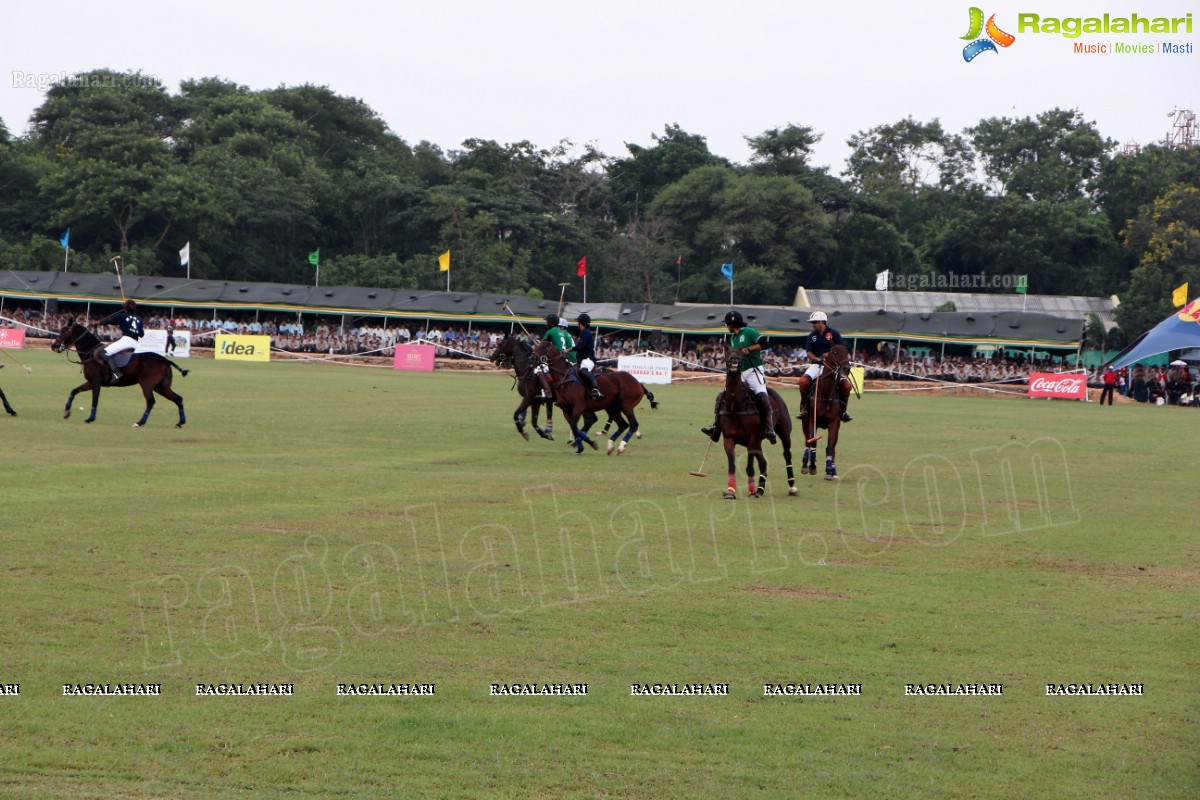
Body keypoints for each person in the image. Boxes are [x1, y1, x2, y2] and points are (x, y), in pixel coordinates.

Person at [700, 309, 776, 444]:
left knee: (762, 397)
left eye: (727, 323)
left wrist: (749, 349)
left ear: (732, 324)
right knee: (722, 396)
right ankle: (716, 428)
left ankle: (770, 429)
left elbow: (765, 344)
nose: (726, 326)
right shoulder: (732, 338)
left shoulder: (749, 332)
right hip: (739, 373)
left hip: (753, 370)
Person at [796, 311, 853, 422]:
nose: (813, 324)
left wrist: (829, 355)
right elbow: (809, 352)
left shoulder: (834, 334)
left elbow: (840, 350)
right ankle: (804, 408)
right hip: (817, 365)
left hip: (833, 367)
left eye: (815, 322)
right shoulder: (812, 336)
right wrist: (817, 359)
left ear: (822, 322)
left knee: (846, 386)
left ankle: (843, 411)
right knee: (803, 382)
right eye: (812, 322)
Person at [97, 299, 145, 382]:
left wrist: (99, 322)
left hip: (126, 341)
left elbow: (107, 321)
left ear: (125, 308)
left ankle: (116, 373)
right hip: (135, 343)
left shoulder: (122, 316)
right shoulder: (139, 319)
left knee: (103, 353)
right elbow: (141, 334)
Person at [535, 314, 574, 399]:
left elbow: (544, 344)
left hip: (557, 357)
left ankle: (546, 392)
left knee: (538, 369)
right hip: (566, 356)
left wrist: (538, 345)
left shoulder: (550, 331)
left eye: (547, 322)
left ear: (551, 324)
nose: (546, 323)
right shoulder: (563, 332)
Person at [569, 313, 603, 399]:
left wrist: (569, 350)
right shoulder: (583, 333)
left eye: (578, 322)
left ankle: (596, 389)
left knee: (583, 371)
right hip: (582, 359)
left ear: (580, 323)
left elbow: (581, 346)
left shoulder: (586, 333)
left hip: (588, 359)